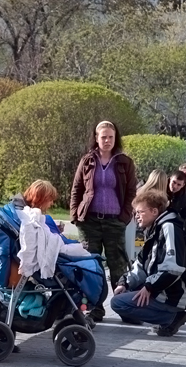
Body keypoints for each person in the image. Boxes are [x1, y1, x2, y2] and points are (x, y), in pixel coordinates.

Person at [70, 120, 137, 322]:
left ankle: (125, 307)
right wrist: (75, 215)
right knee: (91, 266)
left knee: (118, 266)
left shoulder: (125, 162)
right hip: (89, 222)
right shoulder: (88, 161)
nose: (107, 140)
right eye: (103, 137)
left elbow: (131, 192)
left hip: (114, 222)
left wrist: (124, 217)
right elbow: (76, 189)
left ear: (116, 139)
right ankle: (94, 308)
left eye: (111, 137)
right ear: (96, 138)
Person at [110, 190, 186, 336]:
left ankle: (172, 317)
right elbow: (141, 264)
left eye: (140, 212)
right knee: (123, 295)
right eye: (135, 213)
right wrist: (124, 282)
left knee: (118, 303)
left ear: (154, 211)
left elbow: (174, 267)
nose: (136, 216)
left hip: (173, 294)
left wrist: (149, 287)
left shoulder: (169, 227)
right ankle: (165, 317)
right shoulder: (154, 229)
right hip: (162, 288)